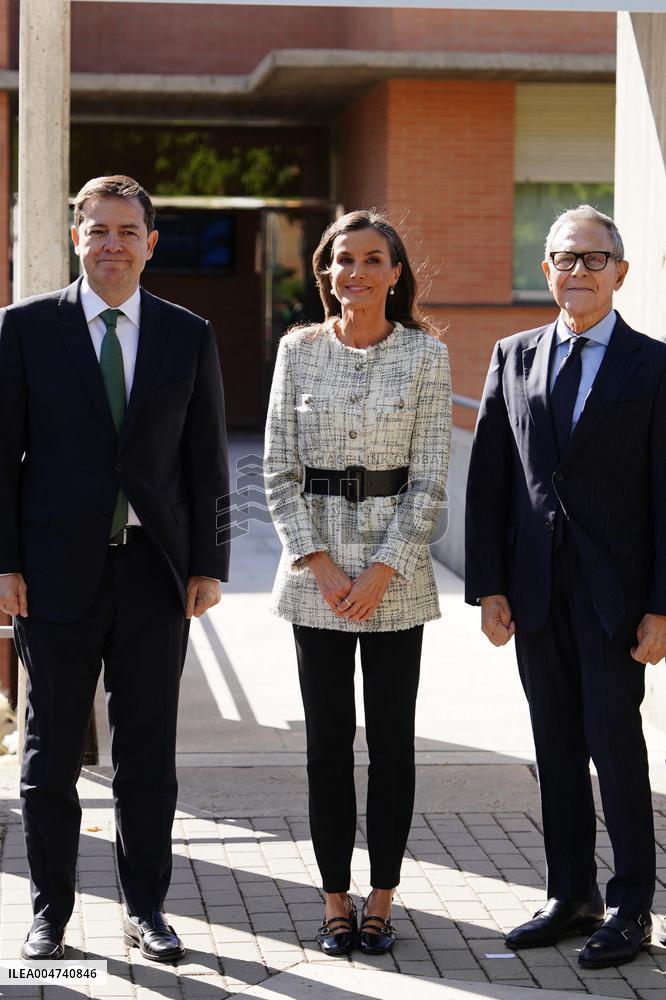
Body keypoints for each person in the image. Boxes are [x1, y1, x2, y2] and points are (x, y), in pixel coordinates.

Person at [0, 175, 230, 962]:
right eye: (97, 231)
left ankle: (148, 910)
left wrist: (210, 562)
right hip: (52, 573)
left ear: (151, 243)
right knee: (50, 755)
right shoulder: (24, 329)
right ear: (75, 238)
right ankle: (49, 914)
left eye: (128, 232)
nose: (112, 245)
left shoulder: (185, 333)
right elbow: (2, 459)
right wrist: (3, 563)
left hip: (154, 576)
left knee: (147, 756)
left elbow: (206, 463)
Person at [465, 205, 666, 969]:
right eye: (564, 259)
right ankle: (571, 893)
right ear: (545, 270)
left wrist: (662, 606)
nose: (578, 271)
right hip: (535, 591)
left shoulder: (654, 366)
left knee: (616, 749)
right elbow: (489, 481)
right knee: (553, 748)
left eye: (593, 258)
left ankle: (631, 907)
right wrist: (488, 585)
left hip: (618, 599)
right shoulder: (512, 356)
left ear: (621, 270)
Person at [264, 210, 451, 956]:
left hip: (394, 579)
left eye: (374, 260)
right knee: (326, 747)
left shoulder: (425, 356)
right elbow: (275, 472)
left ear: (396, 273)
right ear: (325, 272)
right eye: (344, 261)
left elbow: (432, 477)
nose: (357, 274)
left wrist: (381, 570)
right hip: (315, 580)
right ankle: (335, 898)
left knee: (394, 747)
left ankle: (382, 897)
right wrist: (323, 564)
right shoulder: (297, 351)